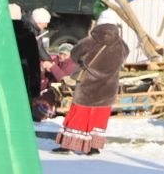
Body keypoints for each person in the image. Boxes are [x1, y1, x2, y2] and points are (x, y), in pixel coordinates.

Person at [55, 20, 128, 155]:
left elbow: (74, 53)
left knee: (79, 115)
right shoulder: (121, 44)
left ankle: (68, 145)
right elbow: (125, 56)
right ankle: (93, 147)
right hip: (108, 88)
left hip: (88, 86)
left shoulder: (91, 40)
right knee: (99, 117)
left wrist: (84, 63)